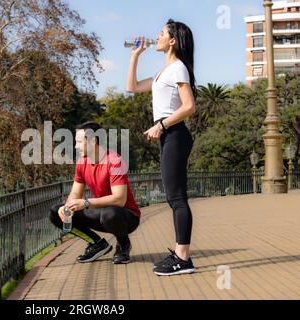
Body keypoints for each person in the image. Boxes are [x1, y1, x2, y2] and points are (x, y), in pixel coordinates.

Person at [126, 19, 197, 276]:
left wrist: (162, 126)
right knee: (173, 197)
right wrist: (135, 55)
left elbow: (189, 106)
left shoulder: (178, 68)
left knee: (177, 198)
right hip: (169, 134)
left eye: (161, 34)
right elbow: (131, 87)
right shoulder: (163, 71)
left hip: (175, 134)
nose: (156, 37)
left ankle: (183, 258)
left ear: (173, 41)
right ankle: (180, 256)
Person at [49, 121, 141, 264]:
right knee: (56, 212)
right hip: (101, 213)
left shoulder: (115, 160)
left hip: (126, 216)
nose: (75, 146)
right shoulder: (82, 162)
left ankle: (123, 244)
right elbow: (75, 193)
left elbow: (119, 200)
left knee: (109, 213)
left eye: (79, 142)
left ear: (93, 141)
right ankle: (97, 243)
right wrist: (67, 206)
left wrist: (85, 203)